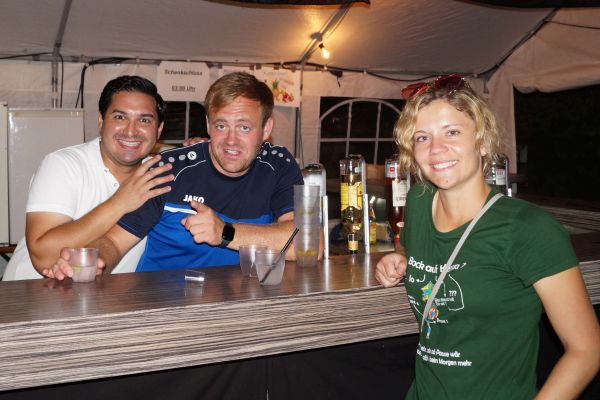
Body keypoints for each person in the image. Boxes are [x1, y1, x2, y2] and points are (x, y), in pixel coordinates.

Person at [375, 75, 600, 399]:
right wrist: (399, 257)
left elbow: (586, 350)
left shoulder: (528, 228)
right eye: (422, 137)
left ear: (481, 141)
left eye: (452, 132)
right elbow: (411, 245)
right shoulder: (419, 202)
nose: (436, 149)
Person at [46, 71, 304, 279]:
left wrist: (225, 233)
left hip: (240, 306)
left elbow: (305, 245)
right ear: (208, 125)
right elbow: (114, 242)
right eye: (221, 125)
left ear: (266, 128)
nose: (231, 140)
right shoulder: (170, 169)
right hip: (161, 307)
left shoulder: (278, 164)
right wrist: (95, 261)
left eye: (244, 127)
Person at [3, 75, 174, 280]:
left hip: (102, 297)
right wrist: (120, 202)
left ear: (159, 129)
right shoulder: (64, 164)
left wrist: (200, 147)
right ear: (101, 120)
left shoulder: (159, 174)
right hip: (30, 293)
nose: (131, 131)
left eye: (144, 120)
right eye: (120, 117)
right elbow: (44, 257)